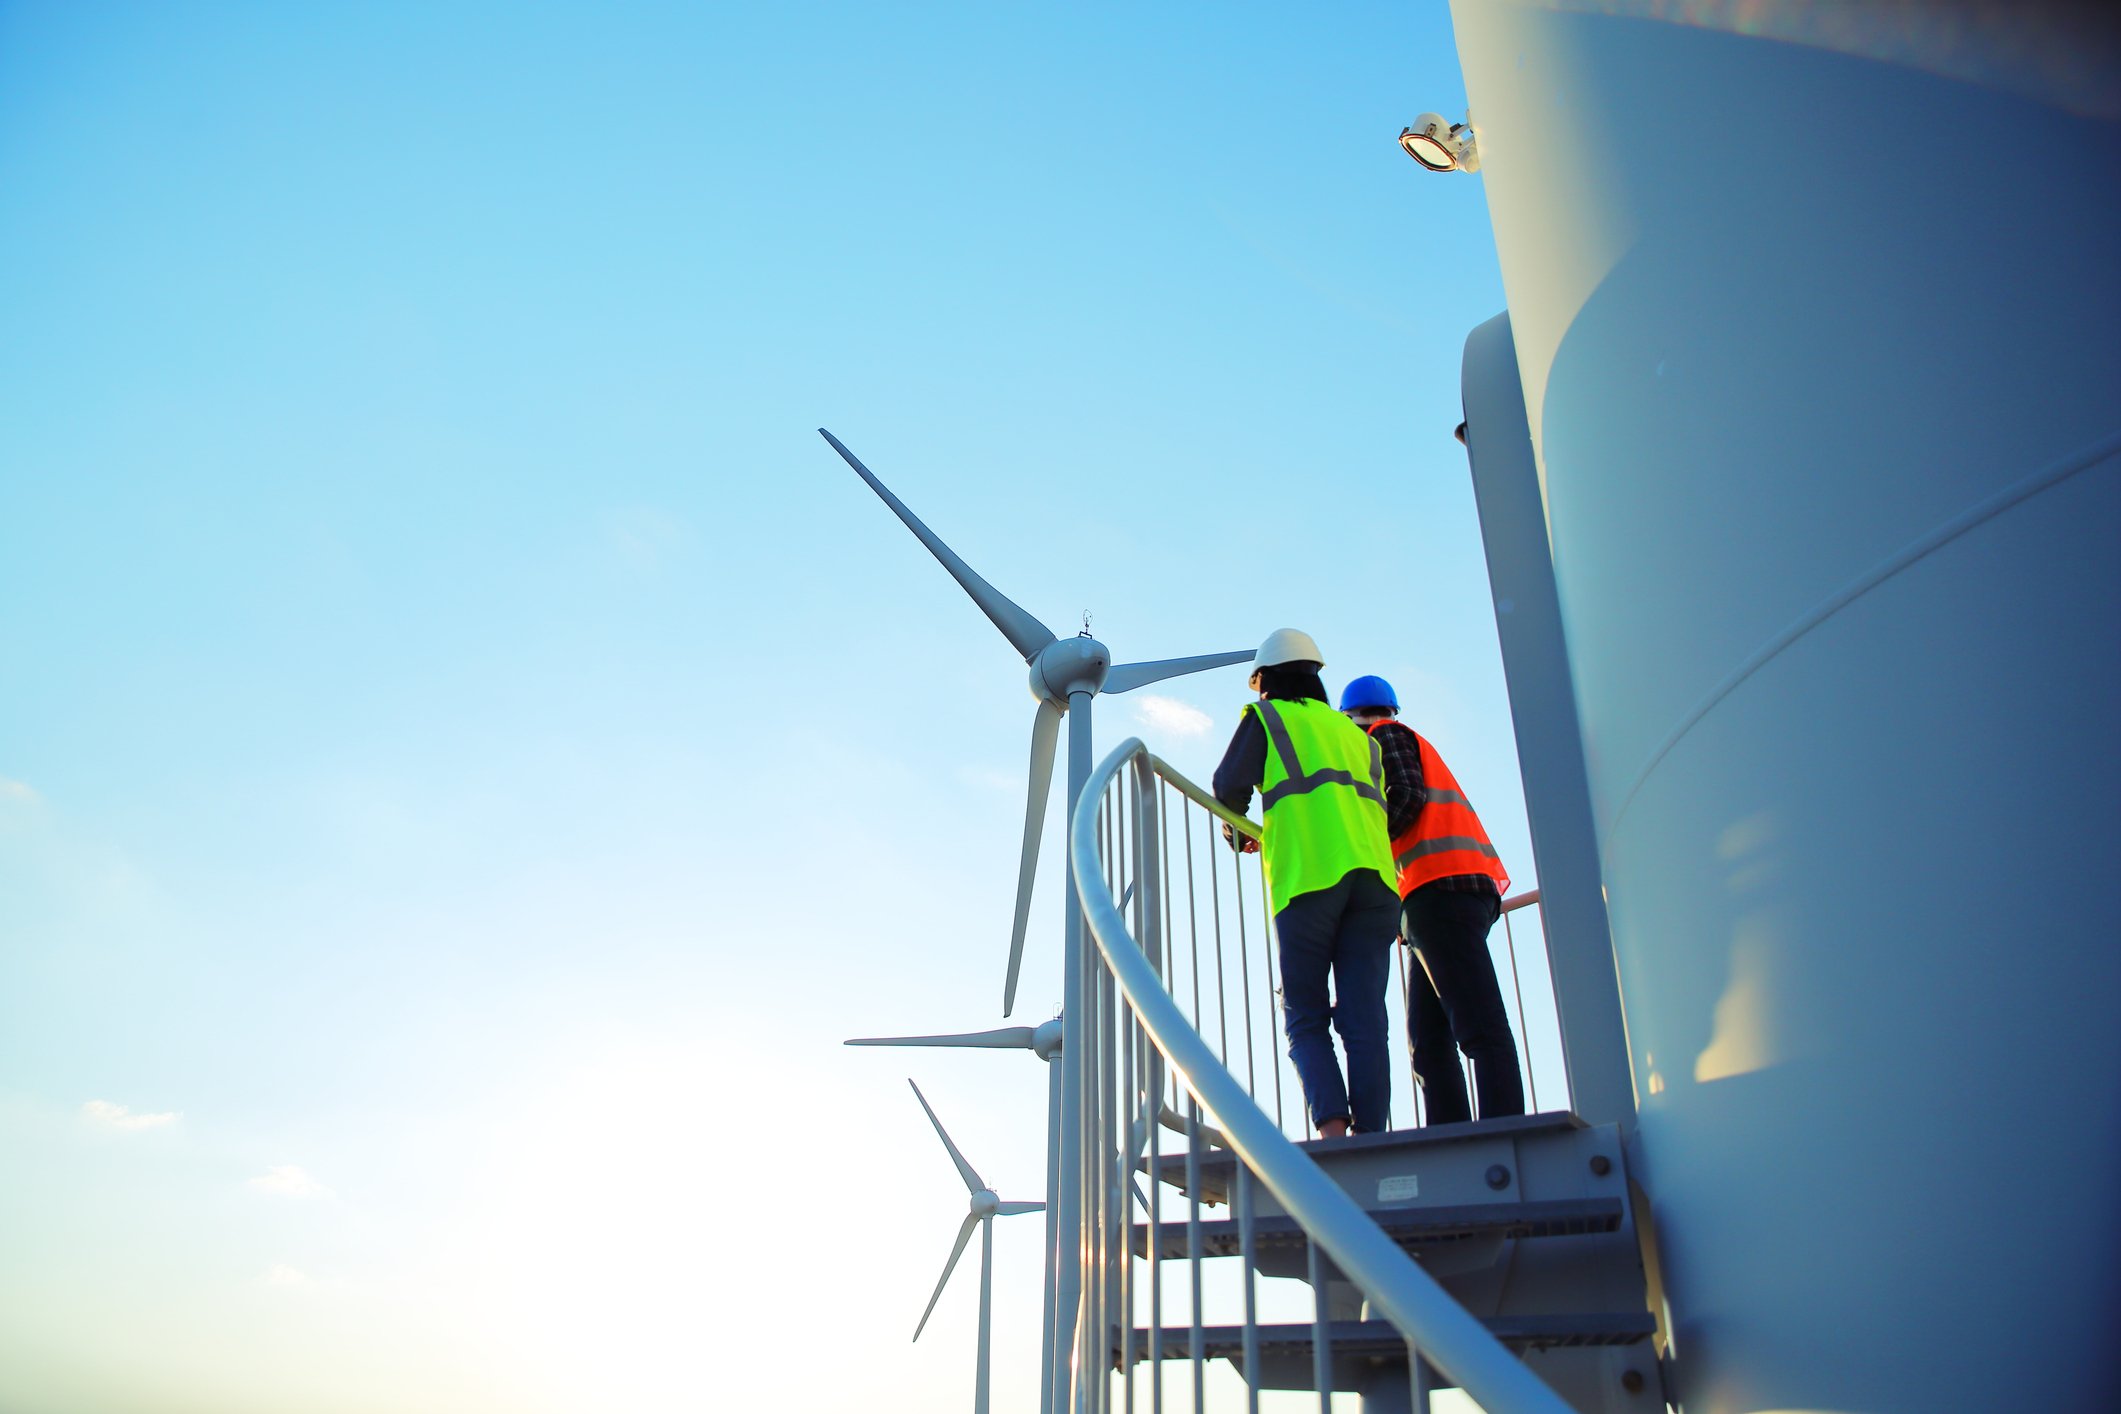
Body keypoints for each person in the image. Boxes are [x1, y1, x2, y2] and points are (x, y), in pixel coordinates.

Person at [1212, 629, 1400, 1140]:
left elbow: (1228, 785)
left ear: (1266, 679)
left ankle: (1334, 1132)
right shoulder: (1357, 738)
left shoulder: (1268, 717)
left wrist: (1237, 833)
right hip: (1377, 883)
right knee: (1366, 1019)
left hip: (1309, 879)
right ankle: (1372, 1136)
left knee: (1306, 1014)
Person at [1339, 674, 1524, 1126]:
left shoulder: (1383, 737)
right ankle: (1453, 1135)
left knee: (1477, 1027)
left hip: (1440, 891)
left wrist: (1361, 850)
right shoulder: (1402, 737)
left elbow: (1405, 798)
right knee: (1428, 1039)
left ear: (1350, 719)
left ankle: (1504, 1131)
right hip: (1441, 895)